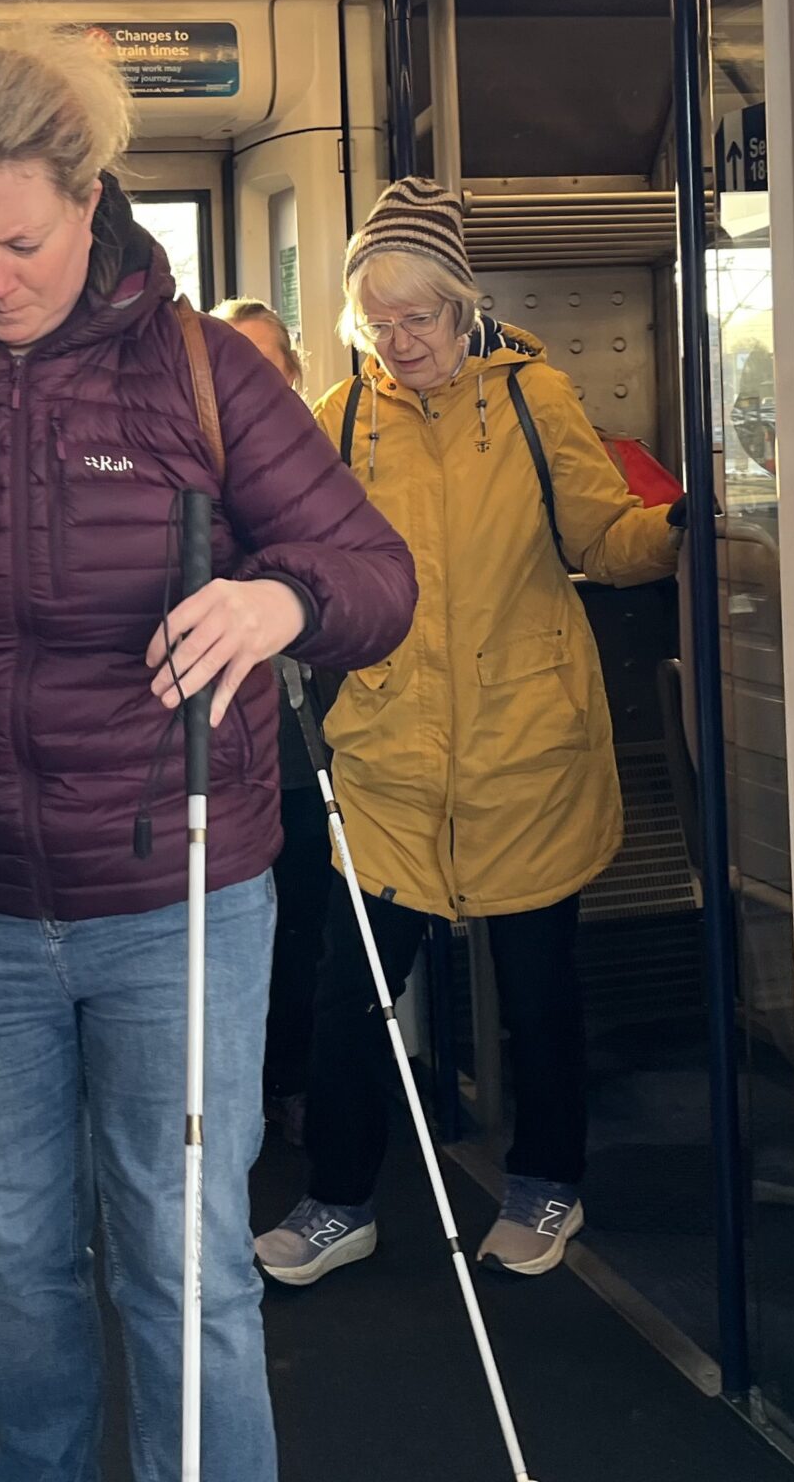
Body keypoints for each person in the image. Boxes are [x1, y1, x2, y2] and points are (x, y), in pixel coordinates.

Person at [0, 30, 414, 1482]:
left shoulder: (203, 373)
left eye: (21, 239)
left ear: (90, 202)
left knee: (186, 1257)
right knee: (11, 1251)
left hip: (180, 898)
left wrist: (280, 598)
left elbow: (376, 574)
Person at [254, 176, 680, 1287]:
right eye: (377, 323)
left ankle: (548, 1184)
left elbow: (601, 535)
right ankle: (338, 1200)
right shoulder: (341, 418)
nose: (399, 343)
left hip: (526, 741)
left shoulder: (536, 398)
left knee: (539, 986)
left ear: (462, 304)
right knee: (352, 986)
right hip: (389, 749)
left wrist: (685, 528)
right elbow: (299, 556)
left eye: (418, 318)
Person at [211, 297, 330, 1146]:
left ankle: (290, 1085)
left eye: (269, 364)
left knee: (306, 935)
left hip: (318, 753)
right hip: (234, 756)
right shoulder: (202, 466)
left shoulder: (322, 464)